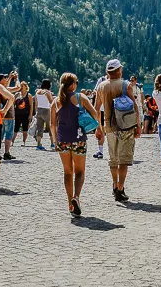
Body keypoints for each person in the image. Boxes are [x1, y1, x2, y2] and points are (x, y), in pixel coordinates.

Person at [50, 73, 104, 216]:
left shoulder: (55, 102)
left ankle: (70, 204)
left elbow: (52, 124)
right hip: (79, 139)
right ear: (73, 84)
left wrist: (55, 141)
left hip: (62, 140)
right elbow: (95, 114)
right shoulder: (80, 98)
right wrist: (98, 128)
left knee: (68, 172)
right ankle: (76, 197)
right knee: (79, 171)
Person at [95, 59, 142, 201]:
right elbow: (135, 107)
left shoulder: (101, 86)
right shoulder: (125, 85)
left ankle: (115, 184)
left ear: (108, 72)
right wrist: (138, 126)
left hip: (108, 127)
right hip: (125, 126)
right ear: (119, 70)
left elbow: (96, 108)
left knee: (113, 159)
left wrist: (99, 127)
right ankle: (120, 189)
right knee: (124, 159)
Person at [0, 73, 17, 161]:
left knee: (0, 135)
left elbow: (6, 87)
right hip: (8, 115)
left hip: (1, 117)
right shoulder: (4, 90)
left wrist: (9, 78)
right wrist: (17, 79)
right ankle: (6, 153)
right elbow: (18, 87)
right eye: (4, 78)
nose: (6, 79)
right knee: (8, 135)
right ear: (0, 80)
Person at [34, 79, 54, 152]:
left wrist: (36, 112)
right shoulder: (47, 92)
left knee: (40, 128)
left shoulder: (37, 92)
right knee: (50, 127)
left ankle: (38, 144)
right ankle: (52, 143)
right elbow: (51, 102)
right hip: (46, 110)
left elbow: (36, 103)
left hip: (39, 110)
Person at [13, 82, 32, 147]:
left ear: (26, 87)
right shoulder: (17, 94)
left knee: (25, 129)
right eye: (20, 86)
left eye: (22, 86)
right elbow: (13, 103)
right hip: (17, 114)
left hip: (25, 114)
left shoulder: (29, 95)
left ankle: (24, 141)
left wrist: (30, 114)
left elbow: (31, 106)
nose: (21, 87)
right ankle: (12, 141)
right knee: (15, 128)